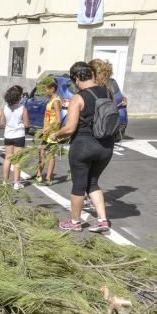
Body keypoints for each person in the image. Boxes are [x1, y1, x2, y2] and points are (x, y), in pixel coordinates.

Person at [50, 61, 115, 233]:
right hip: (106, 146)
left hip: (84, 146)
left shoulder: (78, 98)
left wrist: (56, 134)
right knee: (93, 182)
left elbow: (70, 128)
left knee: (79, 185)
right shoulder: (108, 92)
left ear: (77, 78)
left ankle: (75, 222)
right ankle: (102, 220)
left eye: (74, 81)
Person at [0, 85, 29, 189]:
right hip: (19, 135)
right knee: (17, 160)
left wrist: (10, 125)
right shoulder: (22, 108)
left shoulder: (5, 108)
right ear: (19, 97)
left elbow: (1, 123)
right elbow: (26, 124)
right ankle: (16, 183)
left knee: (8, 158)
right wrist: (19, 124)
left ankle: (5, 181)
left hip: (8, 135)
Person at [37, 79, 61, 184]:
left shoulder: (56, 101)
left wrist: (48, 130)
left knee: (50, 155)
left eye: (47, 89)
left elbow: (58, 120)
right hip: (47, 132)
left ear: (52, 89)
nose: (46, 91)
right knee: (41, 152)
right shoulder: (51, 100)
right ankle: (39, 175)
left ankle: (48, 178)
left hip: (51, 133)